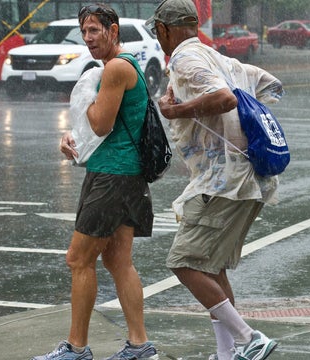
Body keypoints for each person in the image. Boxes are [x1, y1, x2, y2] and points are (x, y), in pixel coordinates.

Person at [146, 1, 283, 359]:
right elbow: (270, 86)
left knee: (185, 262)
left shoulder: (186, 60)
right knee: (211, 266)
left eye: (157, 31)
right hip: (248, 177)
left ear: (165, 29)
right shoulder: (221, 58)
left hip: (224, 181)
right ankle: (227, 353)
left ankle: (249, 338)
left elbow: (223, 98)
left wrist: (178, 110)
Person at [32, 4, 158, 360]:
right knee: (119, 261)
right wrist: (71, 137)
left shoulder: (116, 68)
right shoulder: (115, 67)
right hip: (121, 174)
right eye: (84, 32)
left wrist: (84, 97)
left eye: (94, 31)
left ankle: (76, 348)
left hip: (113, 177)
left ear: (113, 31)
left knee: (78, 259)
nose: (88, 39)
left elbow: (100, 124)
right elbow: (103, 128)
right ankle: (139, 344)